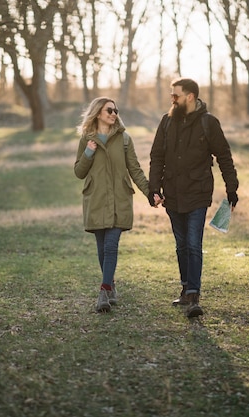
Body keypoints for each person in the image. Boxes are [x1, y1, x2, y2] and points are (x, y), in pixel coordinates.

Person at [148, 78, 239, 318]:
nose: (172, 99)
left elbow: (224, 156)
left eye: (175, 95)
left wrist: (232, 188)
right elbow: (157, 156)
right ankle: (186, 289)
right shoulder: (166, 122)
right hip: (173, 194)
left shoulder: (209, 123)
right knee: (181, 245)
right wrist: (153, 188)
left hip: (198, 193)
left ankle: (194, 295)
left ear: (190, 96)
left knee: (193, 243)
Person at [74, 97, 156, 313]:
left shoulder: (125, 139)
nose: (114, 114)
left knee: (111, 246)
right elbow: (79, 172)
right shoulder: (86, 139)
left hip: (119, 199)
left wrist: (150, 193)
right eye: (109, 110)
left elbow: (135, 169)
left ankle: (103, 291)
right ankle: (110, 286)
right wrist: (88, 152)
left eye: (116, 110)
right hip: (96, 200)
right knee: (102, 249)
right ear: (98, 113)